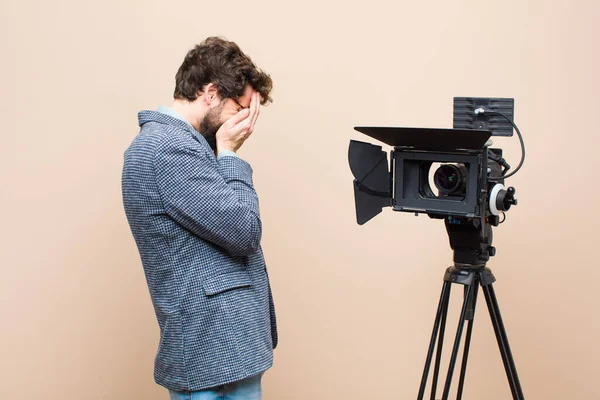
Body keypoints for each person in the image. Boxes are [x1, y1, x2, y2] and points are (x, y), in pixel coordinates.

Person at [122, 37, 277, 400]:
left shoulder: (186, 145)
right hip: (210, 350)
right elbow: (243, 231)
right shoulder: (167, 148)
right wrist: (231, 156)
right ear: (210, 93)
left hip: (226, 350)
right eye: (241, 107)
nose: (245, 121)